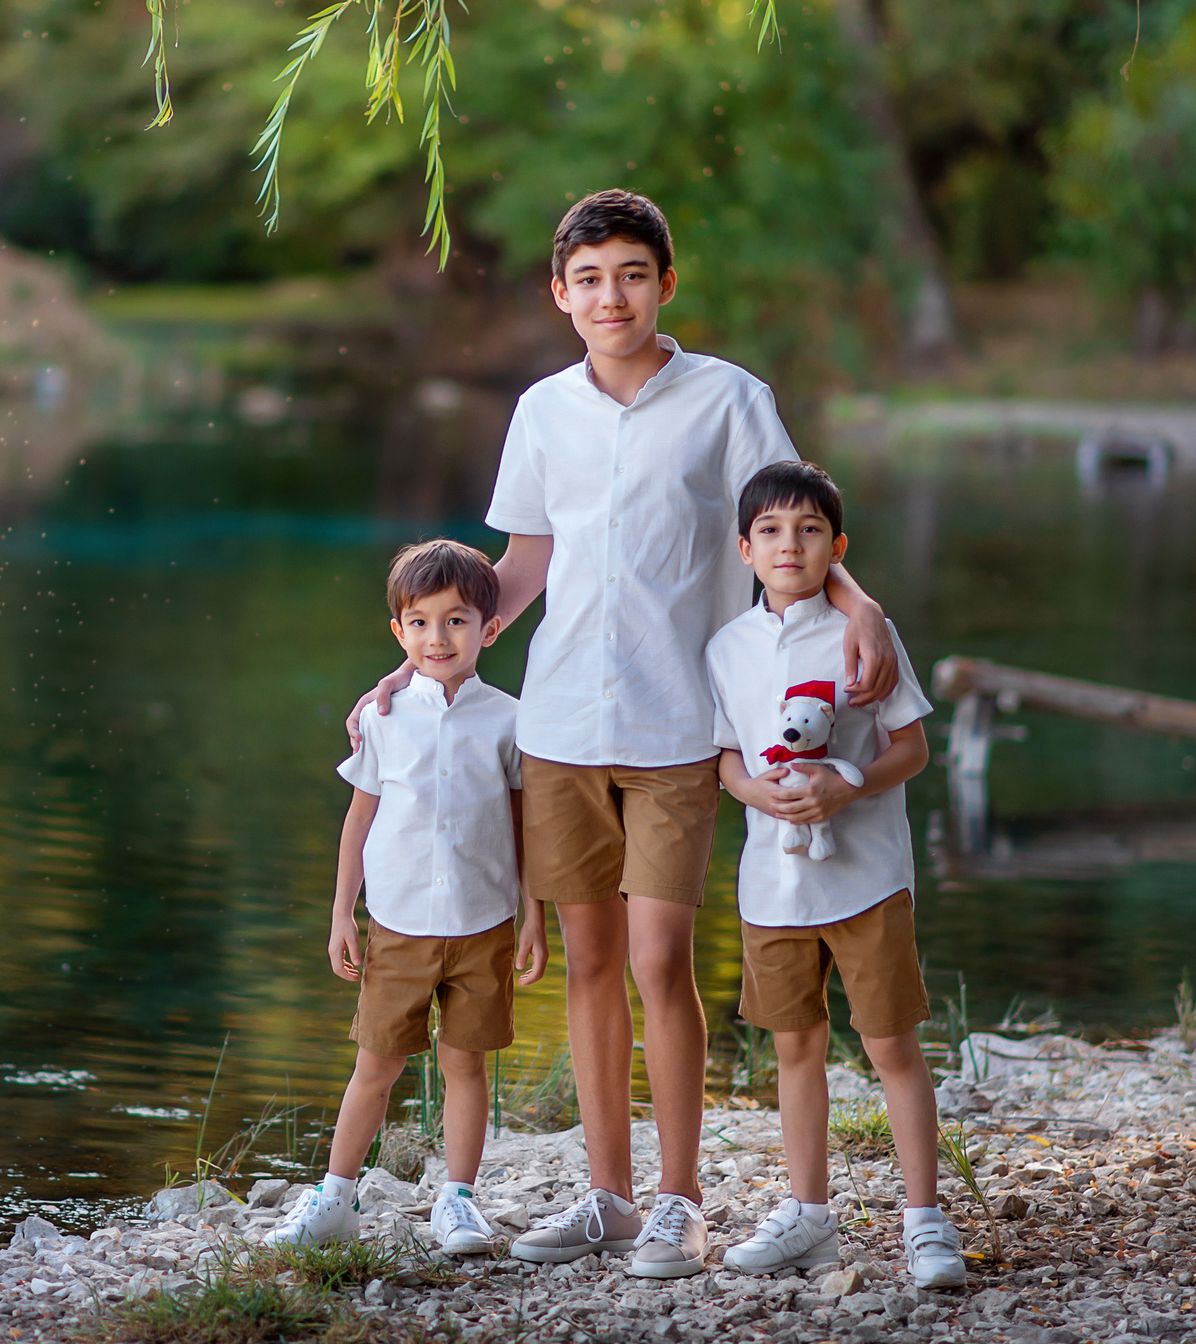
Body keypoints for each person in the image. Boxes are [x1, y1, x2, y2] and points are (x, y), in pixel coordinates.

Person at [350, 190, 899, 1280]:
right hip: (558, 725)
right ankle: (605, 1194)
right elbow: (521, 563)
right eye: (589, 278)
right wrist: (426, 660)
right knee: (589, 963)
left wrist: (858, 603)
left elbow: (788, 525)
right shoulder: (542, 411)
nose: (612, 295)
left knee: (659, 959)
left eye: (632, 274)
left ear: (665, 284)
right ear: (560, 294)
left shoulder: (729, 400)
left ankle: (678, 1203)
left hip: (676, 724)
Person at [705, 460, 967, 1290]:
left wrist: (843, 781)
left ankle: (924, 1220)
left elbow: (912, 748)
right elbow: (725, 756)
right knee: (795, 1046)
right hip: (772, 885)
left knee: (889, 1040)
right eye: (773, 532)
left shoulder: (863, 637)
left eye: (810, 530)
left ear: (837, 546)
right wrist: (753, 790)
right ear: (744, 548)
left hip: (866, 878)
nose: (791, 544)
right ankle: (808, 1216)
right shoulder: (726, 648)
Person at [272, 539, 550, 1255]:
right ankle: (335, 1195)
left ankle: (457, 1200)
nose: (438, 637)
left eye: (456, 621)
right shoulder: (384, 718)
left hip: (483, 922)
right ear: (399, 631)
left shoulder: (510, 721)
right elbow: (359, 816)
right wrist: (342, 910)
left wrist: (534, 915)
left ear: (490, 628)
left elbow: (524, 827)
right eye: (420, 623)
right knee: (377, 1062)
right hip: (396, 924)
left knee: (465, 1063)